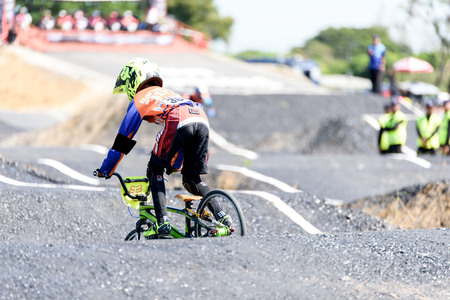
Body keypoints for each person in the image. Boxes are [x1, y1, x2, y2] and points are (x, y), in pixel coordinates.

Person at [95, 58, 230, 238]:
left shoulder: (141, 98)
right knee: (192, 179)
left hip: (179, 119)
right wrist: (175, 164)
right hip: (200, 117)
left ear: (133, 80)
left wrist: (106, 169)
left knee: (155, 168)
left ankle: (162, 221)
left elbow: (123, 140)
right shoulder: (167, 92)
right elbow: (184, 134)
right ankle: (223, 217)